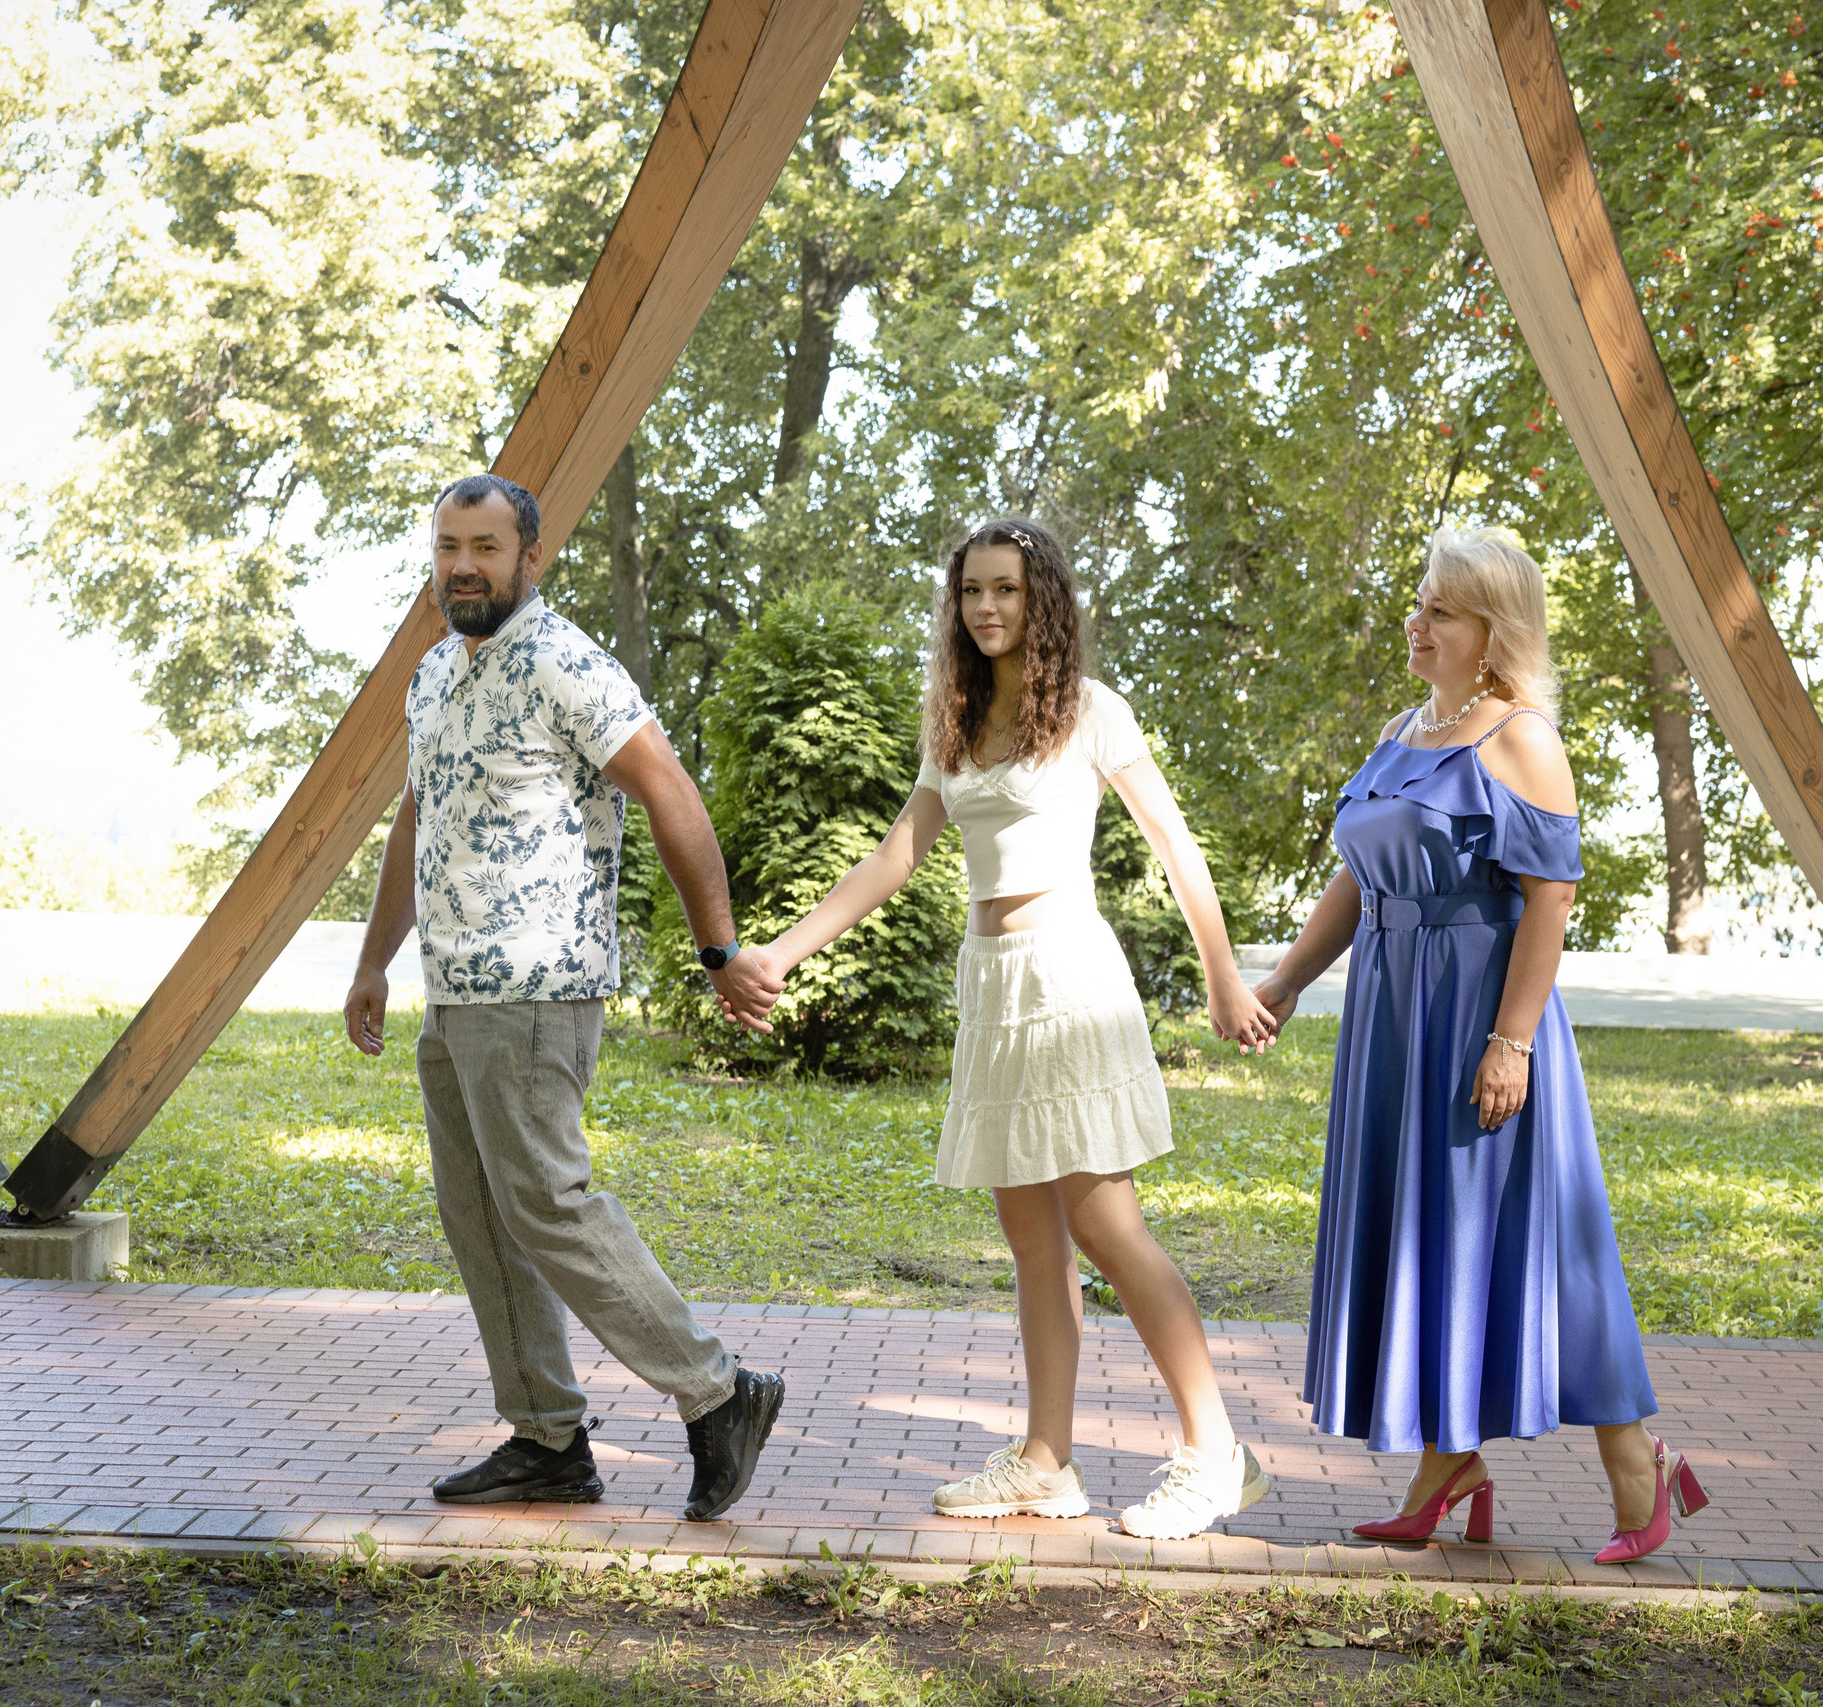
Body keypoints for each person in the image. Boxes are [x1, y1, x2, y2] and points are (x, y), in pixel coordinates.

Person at [719, 518, 1279, 1540]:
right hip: (994, 983)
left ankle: (1214, 1453)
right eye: (972, 591)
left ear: (1042, 601)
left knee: (1108, 1225)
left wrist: (1224, 977)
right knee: (1030, 1242)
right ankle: (1046, 1461)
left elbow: (1175, 844)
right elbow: (894, 858)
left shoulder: (1091, 713)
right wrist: (780, 952)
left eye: (1007, 591)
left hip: (1068, 974)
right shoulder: (956, 721)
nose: (986, 608)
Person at [1250, 528, 1712, 1563]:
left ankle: (1639, 1472)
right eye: (1418, 605)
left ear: (1492, 631)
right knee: (1429, 1232)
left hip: (1479, 1017)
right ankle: (1444, 1466)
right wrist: (1284, 980)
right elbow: (1358, 882)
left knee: (1541, 1244)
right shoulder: (1403, 730)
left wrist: (1511, 1043)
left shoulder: (1521, 738)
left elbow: (1549, 902)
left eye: (1440, 612)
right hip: (1391, 1020)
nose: (1415, 625)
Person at [343, 473, 789, 1519]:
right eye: (450, 544)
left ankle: (718, 1391)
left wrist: (718, 947)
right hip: (455, 993)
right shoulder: (433, 674)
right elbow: (420, 819)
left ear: (527, 557)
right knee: (483, 1219)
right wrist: (375, 959)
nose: (463, 564)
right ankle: (545, 1437)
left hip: (539, 984)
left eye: (486, 547)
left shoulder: (565, 663)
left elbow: (670, 789)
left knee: (545, 1201)